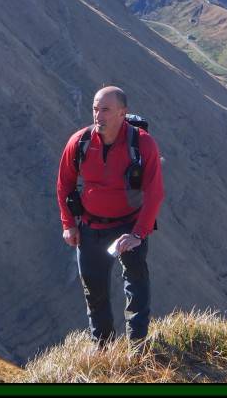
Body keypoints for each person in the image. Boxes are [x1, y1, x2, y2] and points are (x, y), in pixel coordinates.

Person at [57, 86, 165, 350]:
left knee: (136, 284)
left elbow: (155, 193)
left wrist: (138, 234)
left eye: (105, 109)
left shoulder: (142, 144)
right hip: (91, 227)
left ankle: (138, 345)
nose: (98, 115)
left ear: (122, 113)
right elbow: (64, 184)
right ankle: (102, 346)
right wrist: (69, 224)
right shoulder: (80, 142)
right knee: (94, 290)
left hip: (128, 226)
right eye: (95, 108)